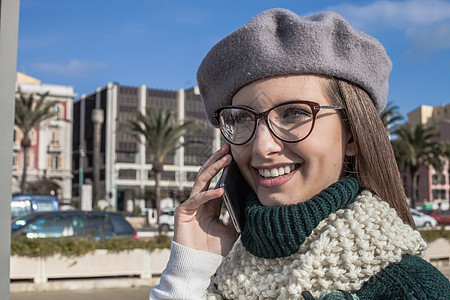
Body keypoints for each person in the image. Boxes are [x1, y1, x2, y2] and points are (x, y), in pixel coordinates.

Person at [150, 8, 450, 299]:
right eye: (242, 118)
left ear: (352, 134)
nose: (262, 146)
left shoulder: (412, 289)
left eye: (293, 113)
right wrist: (188, 271)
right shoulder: (212, 271)